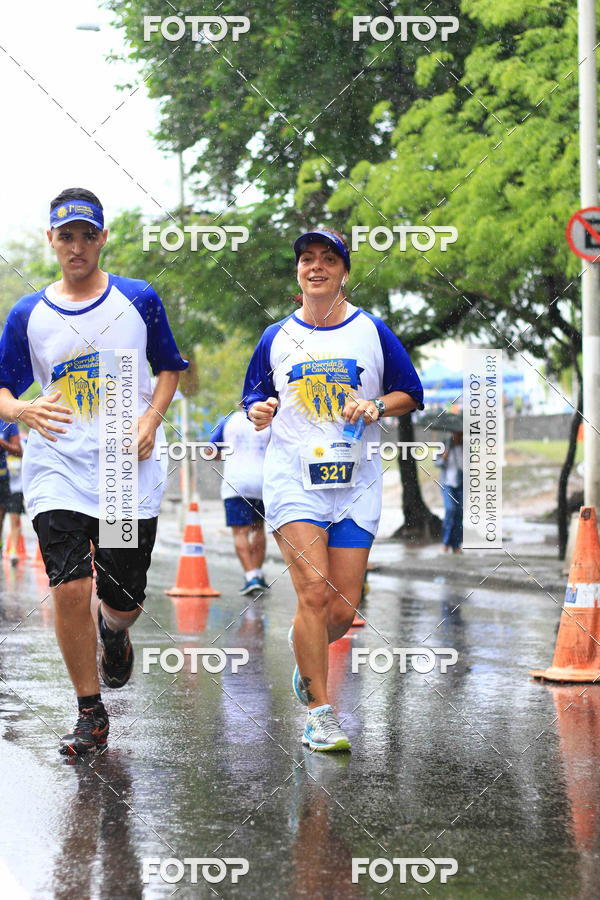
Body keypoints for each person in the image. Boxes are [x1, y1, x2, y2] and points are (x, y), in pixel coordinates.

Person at [0, 187, 188, 756]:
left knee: (123, 595)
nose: (76, 245)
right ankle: (90, 711)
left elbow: (170, 369)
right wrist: (22, 409)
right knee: (68, 583)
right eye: (66, 236)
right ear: (51, 241)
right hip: (57, 461)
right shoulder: (28, 313)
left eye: (87, 234)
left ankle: (115, 632)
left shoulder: (138, 298)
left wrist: (152, 421)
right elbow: (3, 389)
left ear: (103, 238)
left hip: (124, 466)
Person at [243, 228, 423, 752]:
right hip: (294, 479)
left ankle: (308, 663)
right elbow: (253, 395)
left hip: (357, 480)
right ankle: (320, 712)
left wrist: (376, 406)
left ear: (344, 270)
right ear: (298, 272)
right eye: (306, 259)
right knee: (313, 593)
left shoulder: (371, 330)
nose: (315, 266)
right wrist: (258, 409)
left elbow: (409, 392)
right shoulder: (275, 336)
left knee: (340, 612)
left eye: (327, 259)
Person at [209, 405, 271, 594]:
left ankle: (251, 576)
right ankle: (258, 574)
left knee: (240, 532)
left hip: (236, 484)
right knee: (259, 529)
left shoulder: (228, 420)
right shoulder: (269, 420)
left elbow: (211, 451)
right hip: (263, 482)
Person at [435, 430, 463, 552]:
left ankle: (456, 545)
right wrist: (444, 458)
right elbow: (437, 463)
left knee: (459, 514)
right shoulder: (444, 445)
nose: (457, 435)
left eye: (460, 433)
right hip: (447, 484)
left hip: (461, 484)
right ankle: (445, 542)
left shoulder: (466, 447)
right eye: (455, 433)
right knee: (450, 509)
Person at [1, 423, 25, 562]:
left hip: (16, 487)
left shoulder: (22, 444)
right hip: (4, 483)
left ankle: (13, 552)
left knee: (15, 519)